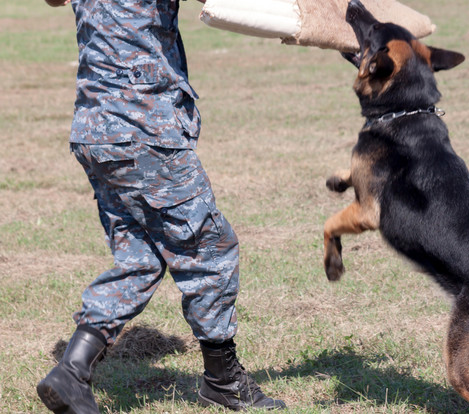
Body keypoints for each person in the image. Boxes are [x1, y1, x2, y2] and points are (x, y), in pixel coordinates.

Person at [36, 0, 286, 412]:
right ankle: (223, 379)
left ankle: (71, 371)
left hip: (95, 129)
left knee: (141, 258)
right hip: (142, 126)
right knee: (210, 248)